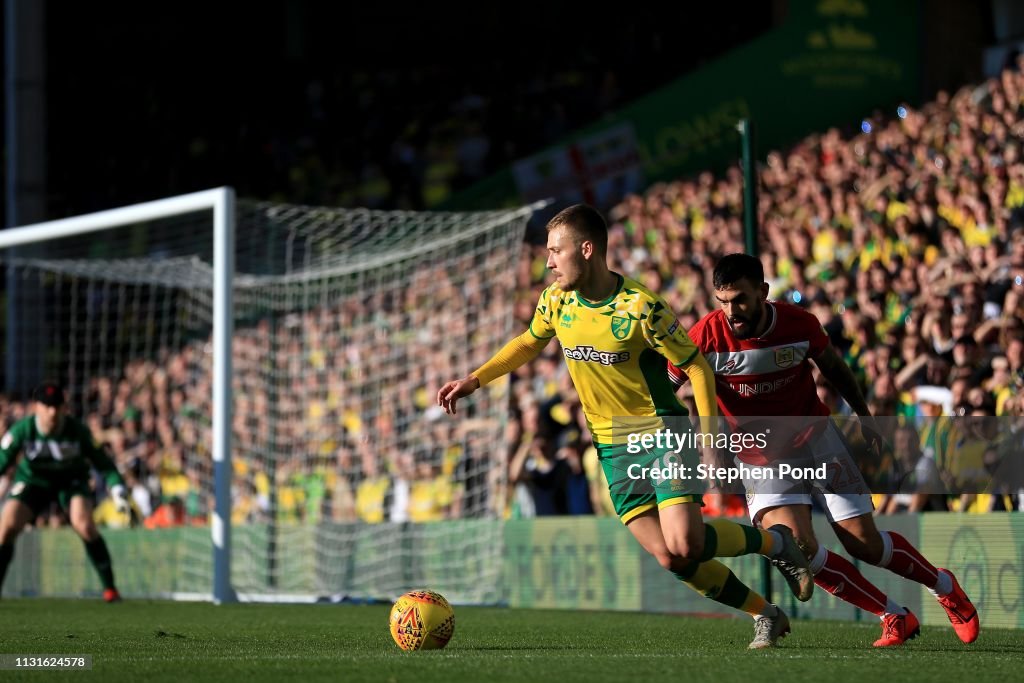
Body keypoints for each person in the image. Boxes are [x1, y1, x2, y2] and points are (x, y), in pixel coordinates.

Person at [438, 205, 812, 649]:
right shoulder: (555, 300)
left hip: (662, 432)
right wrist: (475, 380)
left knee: (686, 542)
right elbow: (526, 344)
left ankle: (776, 545)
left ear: (587, 249)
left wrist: (710, 434)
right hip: (613, 448)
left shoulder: (641, 307)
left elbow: (695, 367)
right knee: (669, 557)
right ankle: (766, 614)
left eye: (556, 251)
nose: (549, 262)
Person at [669, 253, 979, 647]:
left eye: (741, 299)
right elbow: (666, 385)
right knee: (799, 551)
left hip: (816, 440)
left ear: (763, 292)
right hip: (759, 456)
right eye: (723, 301)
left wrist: (865, 416)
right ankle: (893, 615)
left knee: (864, 544)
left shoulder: (799, 324)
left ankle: (945, 586)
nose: (732, 311)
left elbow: (833, 366)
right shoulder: (706, 335)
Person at [0, 382, 129, 602]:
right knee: (7, 526)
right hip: (33, 482)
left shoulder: (78, 431)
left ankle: (110, 589)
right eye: (47, 406)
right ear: (36, 407)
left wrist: (117, 489)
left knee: (85, 525)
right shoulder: (23, 430)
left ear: (64, 408)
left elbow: (103, 463)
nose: (52, 412)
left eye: (57, 406)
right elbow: (2, 460)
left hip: (71, 482)